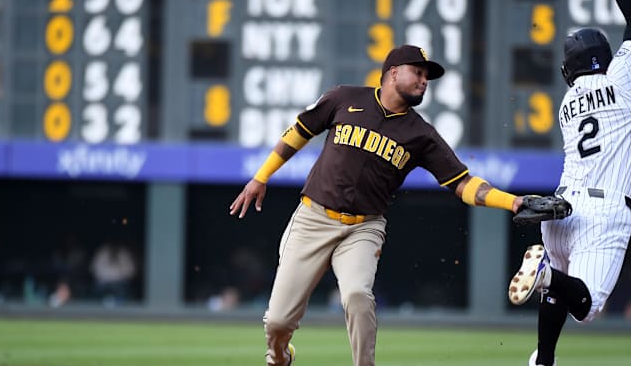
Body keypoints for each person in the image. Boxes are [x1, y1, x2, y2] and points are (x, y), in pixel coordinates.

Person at [230, 44, 543, 366]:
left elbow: (462, 183)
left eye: (427, 76)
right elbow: (299, 131)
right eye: (418, 72)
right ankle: (280, 356)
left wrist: (514, 202)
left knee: (357, 296)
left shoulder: (421, 134)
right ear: (393, 72)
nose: (424, 81)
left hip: (364, 227)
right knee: (278, 321)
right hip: (314, 217)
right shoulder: (344, 98)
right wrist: (260, 177)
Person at [506, 0, 631, 365]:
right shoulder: (622, 77)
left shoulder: (568, 104)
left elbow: (616, 121)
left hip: (562, 210)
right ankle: (548, 276)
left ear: (568, 70)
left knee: (559, 290)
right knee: (585, 308)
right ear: (604, 58)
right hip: (604, 211)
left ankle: (544, 359)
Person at [89, 240, 137, 306]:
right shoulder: (102, 252)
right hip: (103, 282)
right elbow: (94, 269)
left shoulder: (124, 253)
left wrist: (119, 277)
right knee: (97, 292)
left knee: (122, 291)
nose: (113, 246)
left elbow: (131, 271)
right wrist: (106, 278)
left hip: (120, 283)